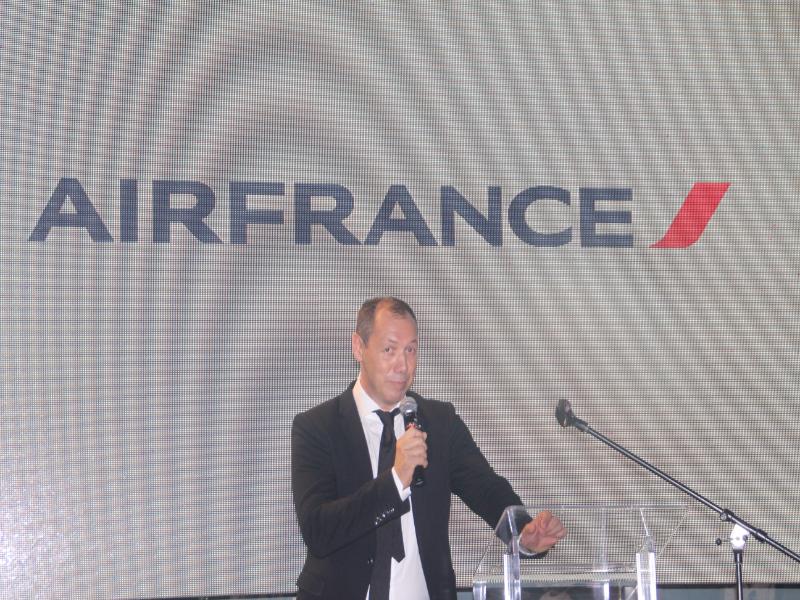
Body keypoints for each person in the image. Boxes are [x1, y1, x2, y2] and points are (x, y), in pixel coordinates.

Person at [291, 297, 566, 599]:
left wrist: (523, 534)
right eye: (389, 350)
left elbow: (486, 489)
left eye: (411, 350)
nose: (403, 365)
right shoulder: (318, 427)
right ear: (359, 347)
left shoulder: (439, 422)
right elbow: (318, 530)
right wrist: (396, 479)